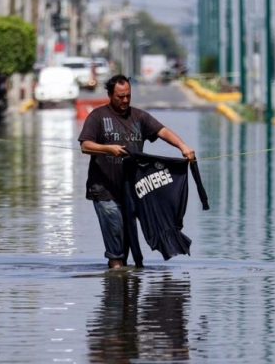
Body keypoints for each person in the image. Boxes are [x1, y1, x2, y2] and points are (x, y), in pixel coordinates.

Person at [78, 74, 196, 269]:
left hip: (132, 193)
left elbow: (162, 131)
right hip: (105, 191)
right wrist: (109, 149)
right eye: (120, 97)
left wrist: (183, 146)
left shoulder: (139, 117)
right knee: (116, 251)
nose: (125, 100)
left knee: (127, 244)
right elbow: (85, 145)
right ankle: (116, 290)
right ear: (110, 95)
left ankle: (127, 293)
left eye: (128, 96)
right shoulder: (97, 117)